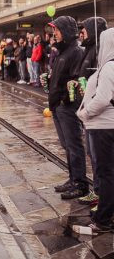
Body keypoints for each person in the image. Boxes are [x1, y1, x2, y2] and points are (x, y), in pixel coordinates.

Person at [77, 28, 114, 234]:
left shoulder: (109, 68)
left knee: (105, 173)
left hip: (104, 127)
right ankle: (107, 214)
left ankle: (102, 221)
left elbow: (102, 99)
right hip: (109, 125)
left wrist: (85, 113)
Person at [46, 16, 87, 199]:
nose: (54, 33)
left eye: (57, 29)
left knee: (74, 145)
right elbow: (61, 76)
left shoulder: (76, 51)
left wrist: (63, 99)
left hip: (67, 106)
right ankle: (73, 178)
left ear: (67, 31)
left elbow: (76, 79)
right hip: (57, 106)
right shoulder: (62, 52)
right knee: (67, 146)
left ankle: (80, 184)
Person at [75, 17, 107, 209]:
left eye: (84, 30)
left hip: (97, 114)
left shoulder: (99, 51)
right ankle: (97, 191)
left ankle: (102, 195)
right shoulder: (88, 49)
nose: (81, 33)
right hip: (87, 108)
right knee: (92, 154)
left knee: (99, 157)